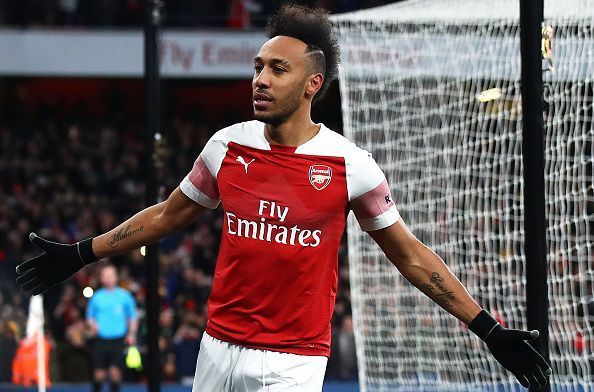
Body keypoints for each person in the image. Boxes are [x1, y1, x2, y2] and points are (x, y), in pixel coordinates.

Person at [15, 3, 551, 391]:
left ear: (312, 84)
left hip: (294, 363)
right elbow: (166, 216)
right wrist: (82, 253)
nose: (260, 80)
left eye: (277, 69)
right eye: (257, 67)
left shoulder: (352, 166)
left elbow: (410, 256)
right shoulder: (227, 146)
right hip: (216, 349)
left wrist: (489, 329)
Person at [86, 264, 138, 392]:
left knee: (115, 373)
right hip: (100, 339)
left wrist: (131, 334)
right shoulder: (96, 297)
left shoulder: (125, 296)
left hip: (118, 340)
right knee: (99, 374)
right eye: (105, 275)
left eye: (110, 275)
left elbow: (132, 317)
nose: (108, 278)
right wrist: (93, 325)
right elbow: (90, 316)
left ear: (116, 277)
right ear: (101, 278)